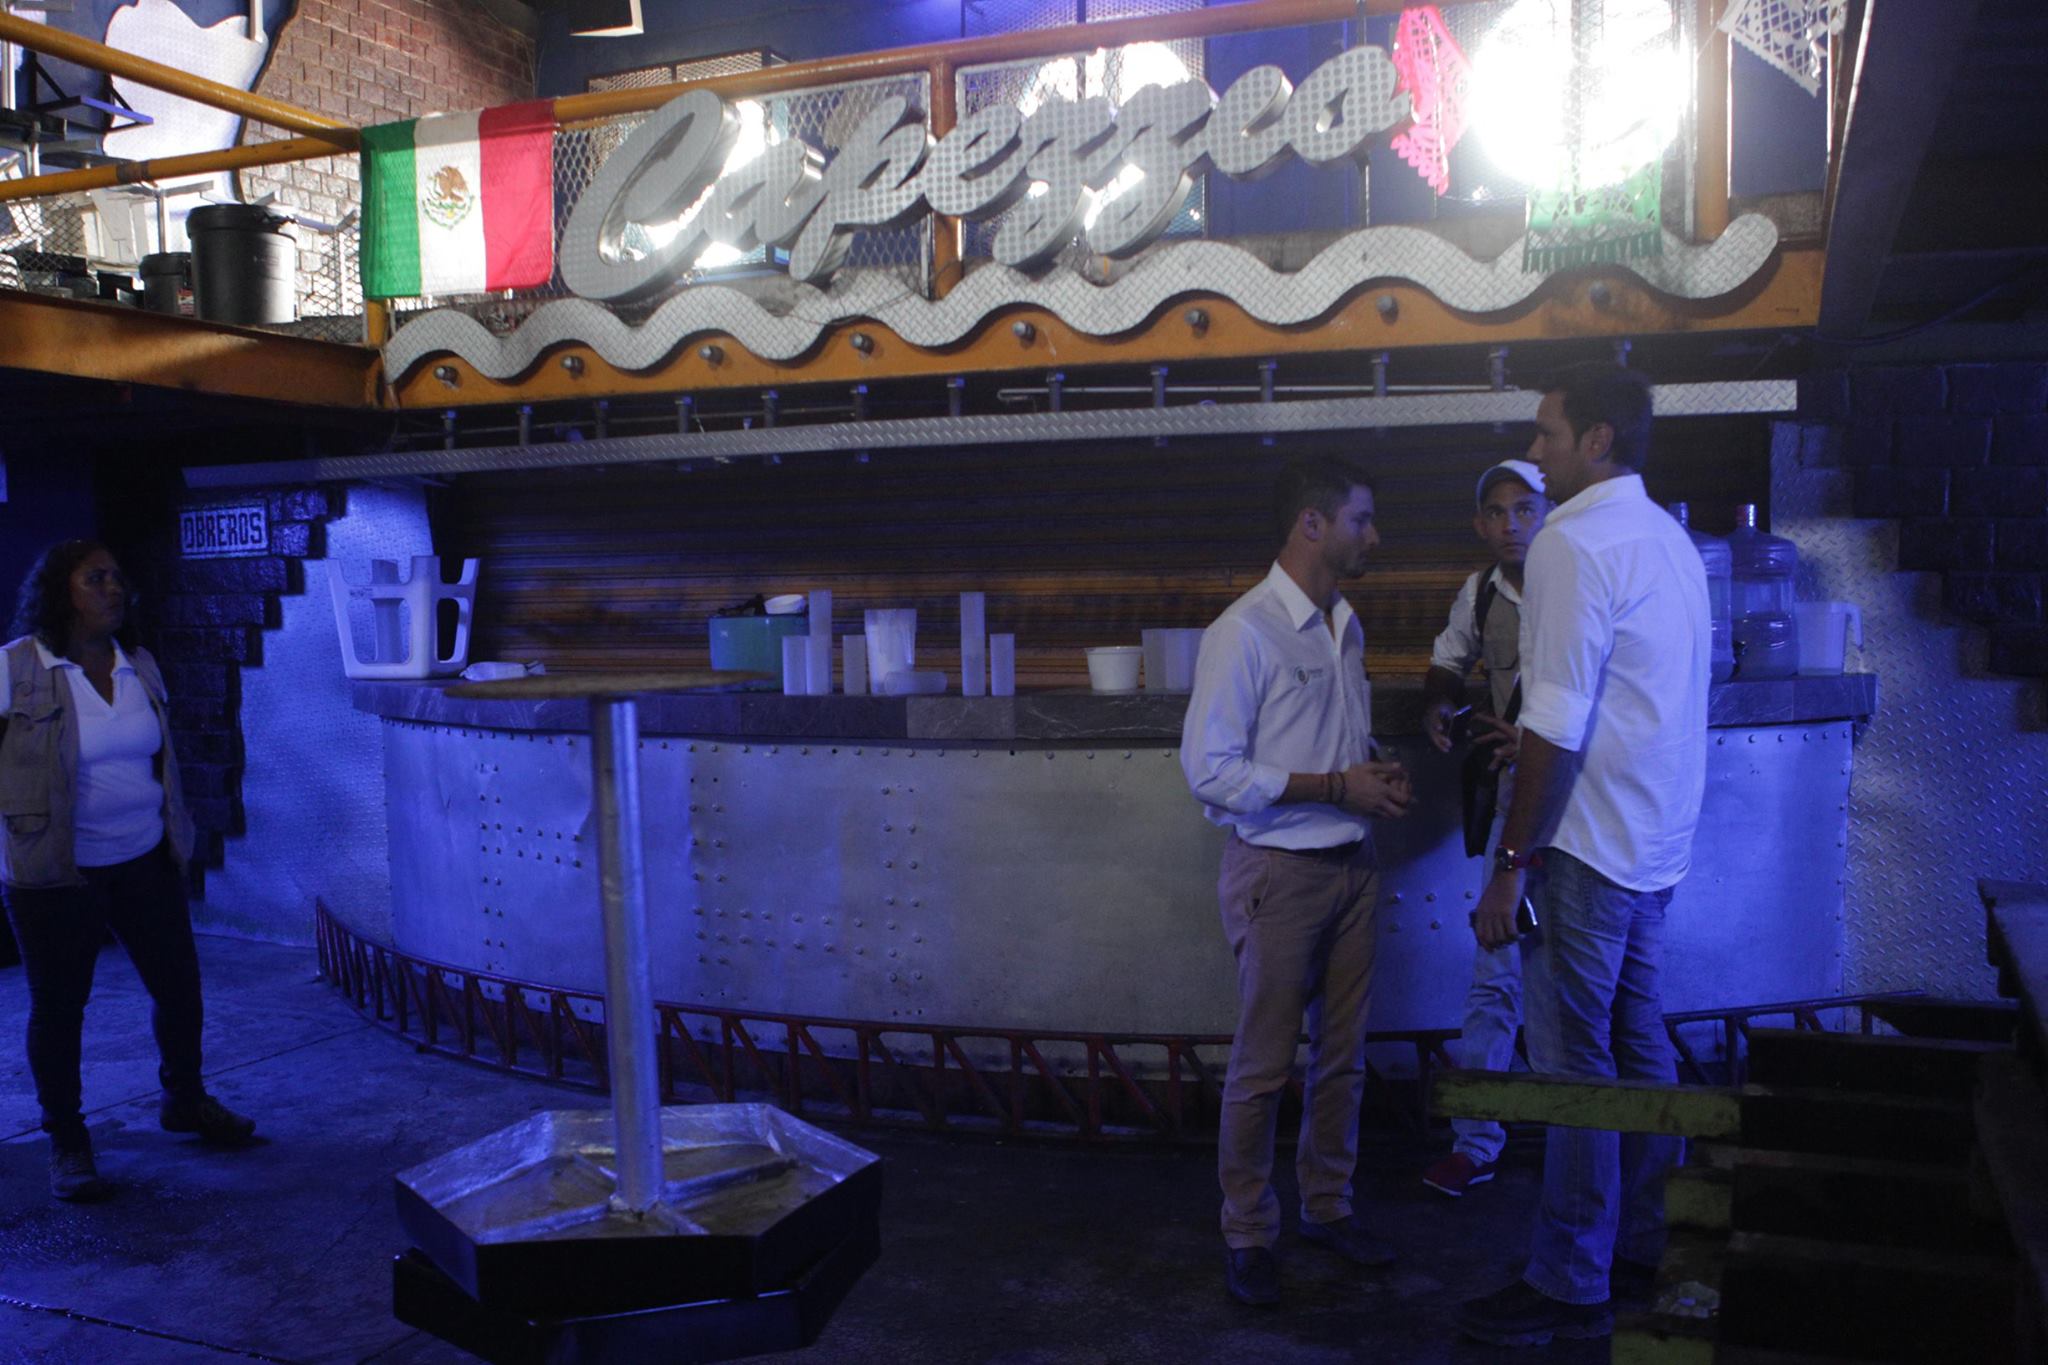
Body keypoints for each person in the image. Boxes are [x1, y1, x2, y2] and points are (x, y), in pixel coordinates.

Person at [1454, 366, 1709, 1346]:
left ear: (1596, 440)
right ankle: (1642, 1243)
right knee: (1638, 1044)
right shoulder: (1669, 538)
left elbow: (1555, 724)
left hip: (1586, 845)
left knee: (1572, 1062)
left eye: (1548, 434)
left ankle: (1568, 1276)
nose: (1536, 449)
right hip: (1653, 845)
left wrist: (1511, 860)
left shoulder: (1570, 541)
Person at [1180, 458, 1415, 1309]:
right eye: (1361, 519)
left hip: (1353, 866)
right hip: (1279, 873)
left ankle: (1327, 1204)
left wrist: (1372, 772)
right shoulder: (1244, 631)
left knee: (1343, 1059)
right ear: (1312, 523)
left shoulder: (1344, 623)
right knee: (1263, 1065)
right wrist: (1335, 786)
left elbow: (1326, 741)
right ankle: (1247, 1230)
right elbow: (1209, 771)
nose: (1374, 535)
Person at [1, 540, 256, 1203]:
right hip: (59, 874)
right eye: (96, 578)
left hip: (144, 857)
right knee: (60, 1011)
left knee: (180, 990)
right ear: (60, 591)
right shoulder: (16, 667)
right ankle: (67, 1141)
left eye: (117, 577)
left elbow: (156, 760)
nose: (114, 588)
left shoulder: (135, 662)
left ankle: (185, 1100)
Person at [1418, 459, 1549, 1199]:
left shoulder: (1580, 584)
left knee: (1579, 979)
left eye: (1525, 509)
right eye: (1497, 512)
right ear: (1479, 524)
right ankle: (1477, 1144)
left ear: (1549, 513)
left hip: (1584, 810)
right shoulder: (1481, 593)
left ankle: (1591, 1146)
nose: (1511, 525)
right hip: (1512, 804)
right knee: (1495, 974)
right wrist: (1439, 704)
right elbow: (1447, 660)